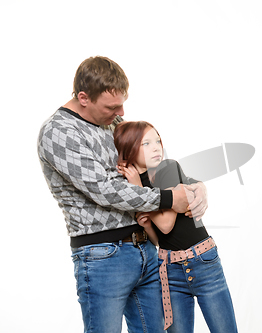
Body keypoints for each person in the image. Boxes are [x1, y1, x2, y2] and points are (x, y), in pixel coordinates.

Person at [37, 56, 208, 333]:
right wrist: (168, 199)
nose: (122, 112)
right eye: (112, 106)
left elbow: (151, 165)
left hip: (146, 249)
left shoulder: (112, 122)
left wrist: (195, 186)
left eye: (122, 103)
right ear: (83, 98)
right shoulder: (59, 132)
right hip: (103, 257)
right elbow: (104, 190)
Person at [113, 121, 238, 333]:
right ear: (129, 150)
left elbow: (166, 224)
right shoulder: (132, 186)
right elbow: (159, 239)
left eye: (157, 141)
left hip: (202, 261)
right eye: (146, 143)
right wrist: (146, 224)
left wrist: (138, 190)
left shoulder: (167, 167)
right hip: (169, 270)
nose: (156, 147)